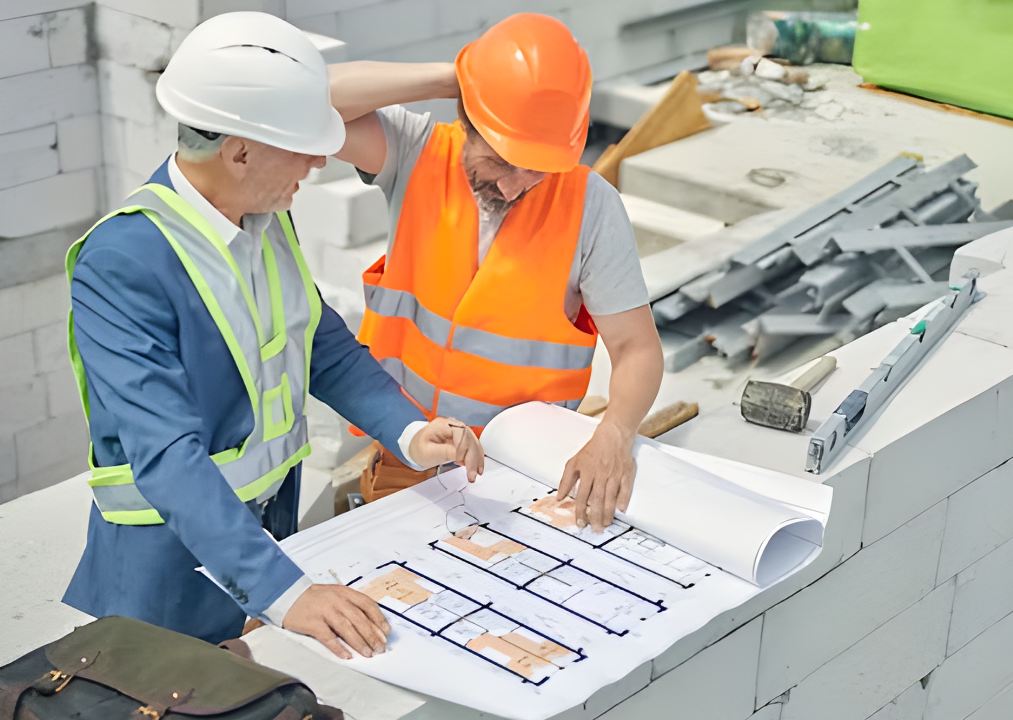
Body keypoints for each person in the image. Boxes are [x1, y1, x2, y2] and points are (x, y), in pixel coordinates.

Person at [60, 12, 483, 658]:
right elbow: (167, 456)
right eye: (302, 145)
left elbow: (320, 344)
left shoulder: (263, 216)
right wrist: (287, 592)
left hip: (269, 538)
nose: (319, 161)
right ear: (240, 151)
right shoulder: (122, 263)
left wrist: (407, 431)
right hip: (168, 576)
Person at [329, 13, 663, 532]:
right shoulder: (414, 153)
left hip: (524, 478)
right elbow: (308, 102)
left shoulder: (591, 206)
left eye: (535, 170)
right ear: (467, 118)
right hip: (408, 456)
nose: (512, 187)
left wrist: (615, 435)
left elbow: (636, 348)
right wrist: (458, 78)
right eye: (501, 161)